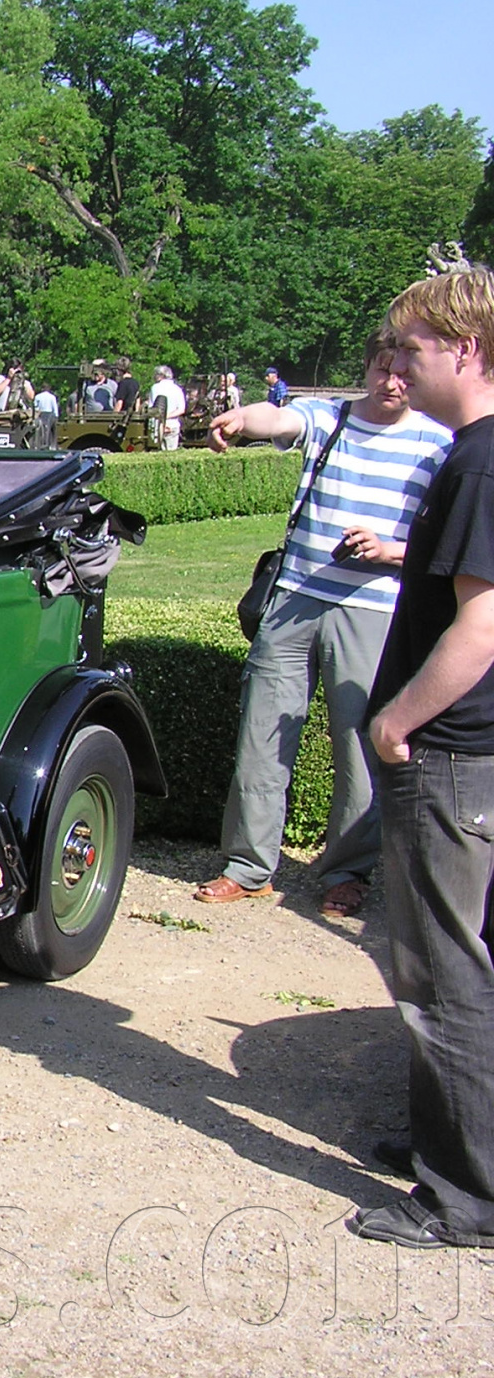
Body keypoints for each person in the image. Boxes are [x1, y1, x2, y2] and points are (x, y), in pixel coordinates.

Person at [196, 327, 451, 918]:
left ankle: (347, 872)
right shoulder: (328, 418)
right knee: (261, 734)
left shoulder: (438, 443)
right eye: (382, 369)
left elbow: (446, 541)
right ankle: (247, 867)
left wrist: (390, 551)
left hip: (375, 608)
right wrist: (240, 419)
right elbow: (277, 418)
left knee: (360, 745)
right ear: (366, 369)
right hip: (294, 598)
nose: (392, 382)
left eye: (402, 372)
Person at [350, 267, 494, 1250]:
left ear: (467, 349)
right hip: (459, 755)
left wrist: (399, 719)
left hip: (447, 756)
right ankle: (451, 1140)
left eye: (413, 346)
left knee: (443, 972)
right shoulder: (471, 456)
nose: (397, 364)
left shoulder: (480, 464)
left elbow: (481, 623)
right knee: (446, 964)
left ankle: (464, 1199)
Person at [148, 364, 187, 449]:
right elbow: (181, 409)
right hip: (173, 423)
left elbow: (152, 409)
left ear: (161, 375)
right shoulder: (177, 389)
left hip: (158, 424)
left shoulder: (155, 387)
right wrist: (168, 416)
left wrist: (163, 418)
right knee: (172, 452)